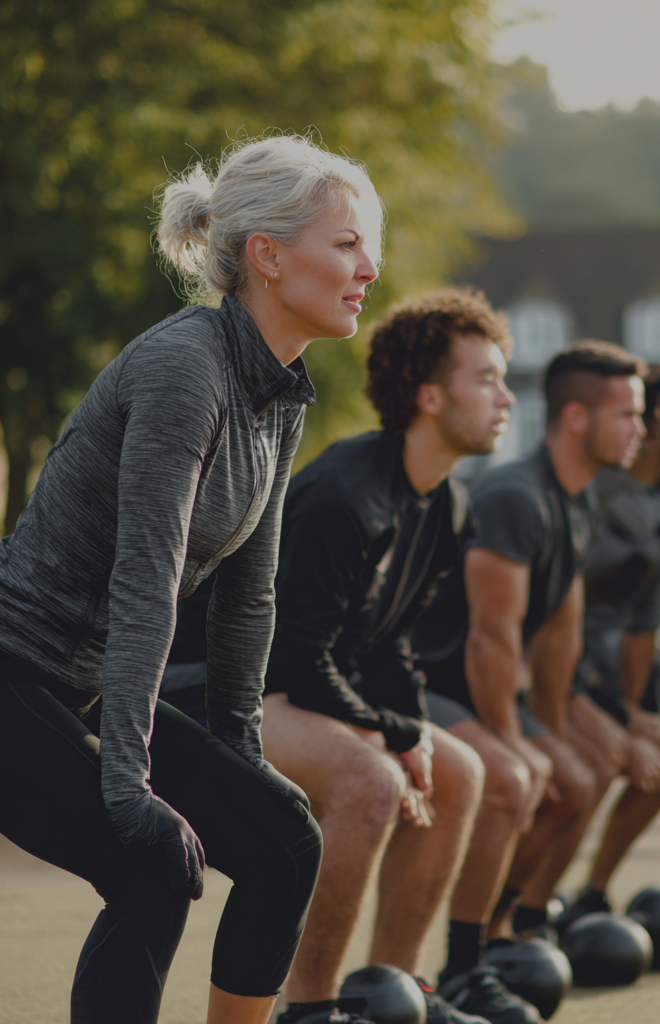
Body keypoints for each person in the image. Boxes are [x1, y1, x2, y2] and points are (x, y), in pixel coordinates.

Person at [0, 133, 382, 1024]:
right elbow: (147, 579)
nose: (369, 267)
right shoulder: (186, 366)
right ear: (269, 255)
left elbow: (251, 595)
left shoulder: (279, 388)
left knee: (283, 838)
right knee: (150, 862)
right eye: (348, 244)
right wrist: (130, 787)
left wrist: (242, 758)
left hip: (88, 688)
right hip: (15, 670)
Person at [257, 290, 542, 1024]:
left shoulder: (449, 507)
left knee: (462, 770)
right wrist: (393, 734)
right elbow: (293, 660)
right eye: (487, 380)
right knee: (373, 782)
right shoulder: (343, 497)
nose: (505, 398)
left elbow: (391, 647)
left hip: (306, 687)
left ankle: (396, 994)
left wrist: (408, 727)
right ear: (429, 395)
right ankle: (311, 1010)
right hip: (225, 687)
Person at [414, 340, 647, 951]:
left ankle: (502, 928)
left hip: (476, 685)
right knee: (528, 779)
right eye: (627, 414)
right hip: (427, 682)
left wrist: (556, 724)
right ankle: (465, 954)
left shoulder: (581, 498)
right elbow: (491, 640)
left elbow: (562, 631)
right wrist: (517, 744)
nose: (640, 429)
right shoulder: (515, 497)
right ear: (577, 417)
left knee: (580, 776)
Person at [557, 371, 660, 926]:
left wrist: (633, 710)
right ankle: (522, 898)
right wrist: (603, 718)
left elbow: (646, 622)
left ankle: (592, 892)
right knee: (597, 760)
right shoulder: (587, 491)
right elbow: (550, 615)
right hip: (557, 665)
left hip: (607, 669)